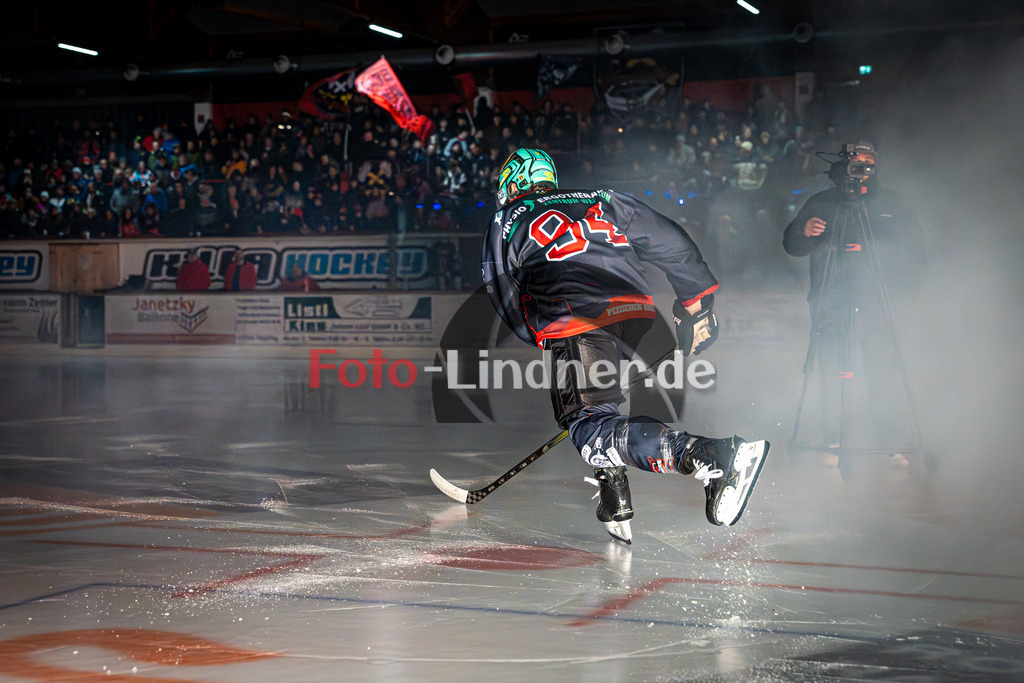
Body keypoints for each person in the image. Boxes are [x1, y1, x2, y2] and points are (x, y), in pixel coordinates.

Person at [482, 148, 769, 543]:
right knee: (599, 410)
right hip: (634, 310)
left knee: (588, 424)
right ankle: (614, 495)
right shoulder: (598, 198)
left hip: (576, 310)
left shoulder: (506, 218)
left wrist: (540, 332)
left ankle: (713, 455)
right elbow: (670, 240)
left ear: (513, 184)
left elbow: (504, 291)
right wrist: (696, 307)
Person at [783, 141, 926, 457]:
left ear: (876, 166)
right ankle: (834, 433)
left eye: (868, 163)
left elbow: (917, 252)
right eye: (854, 163)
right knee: (832, 367)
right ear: (841, 165)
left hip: (877, 301)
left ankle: (889, 435)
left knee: (882, 367)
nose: (861, 170)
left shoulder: (894, 203)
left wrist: (909, 293)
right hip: (830, 300)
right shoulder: (822, 202)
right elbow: (790, 244)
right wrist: (804, 231)